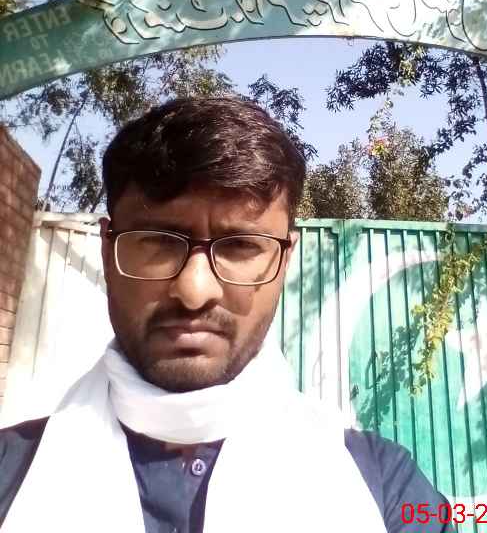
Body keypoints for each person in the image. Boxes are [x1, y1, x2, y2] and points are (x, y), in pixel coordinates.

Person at [0, 97, 454, 532]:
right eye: (158, 241)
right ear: (107, 249)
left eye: (239, 246)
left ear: (285, 260)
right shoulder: (9, 473)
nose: (194, 291)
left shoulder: (386, 489)